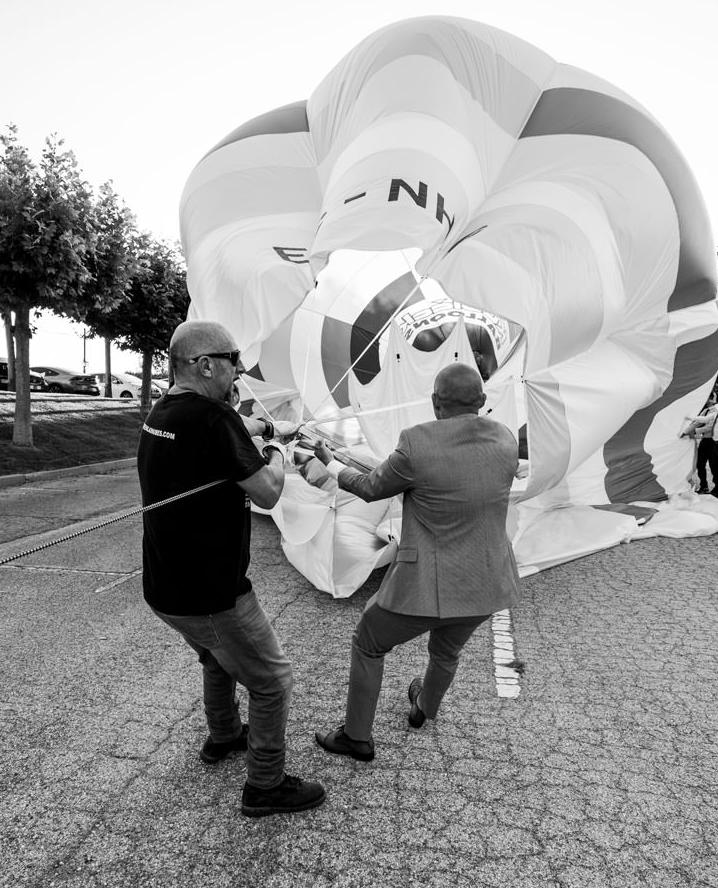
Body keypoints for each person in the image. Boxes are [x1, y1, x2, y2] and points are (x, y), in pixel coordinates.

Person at [136, 320, 326, 818]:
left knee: (217, 659)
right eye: (233, 360)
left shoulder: (166, 409)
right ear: (204, 365)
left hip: (164, 587)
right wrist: (279, 452)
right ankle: (265, 784)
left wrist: (264, 427)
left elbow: (222, 435)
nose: (238, 369)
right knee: (272, 680)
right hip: (211, 591)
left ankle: (223, 735)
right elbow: (266, 489)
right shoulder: (211, 417)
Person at [303, 363, 520, 762]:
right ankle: (424, 708)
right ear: (483, 402)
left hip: (427, 582)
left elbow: (374, 487)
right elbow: (413, 474)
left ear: (435, 402)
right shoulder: (506, 440)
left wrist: (330, 464)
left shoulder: (416, 443)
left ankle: (356, 737)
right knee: (446, 652)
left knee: (368, 642)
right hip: (487, 582)